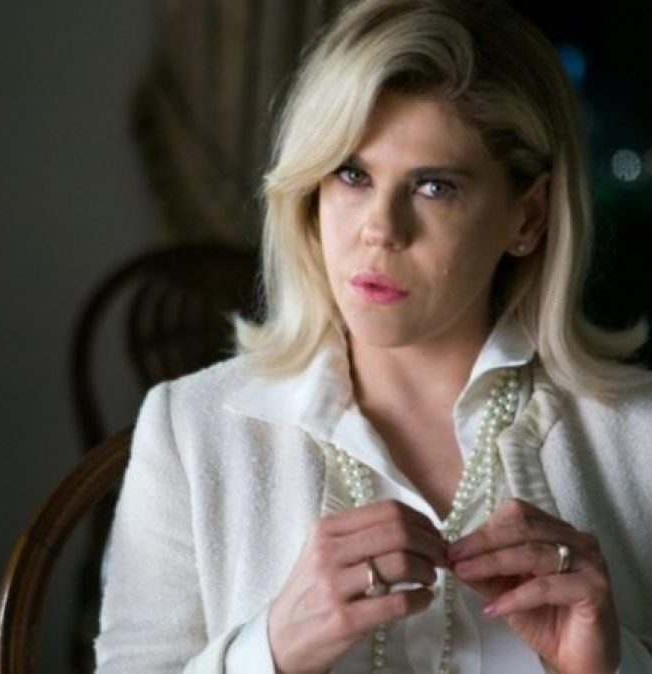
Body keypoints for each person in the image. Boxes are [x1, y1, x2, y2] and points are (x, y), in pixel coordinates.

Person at [94, 0, 652, 672]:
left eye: (434, 187)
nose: (380, 228)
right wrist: (269, 650)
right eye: (352, 175)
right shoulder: (188, 429)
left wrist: (612, 664)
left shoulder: (638, 435)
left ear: (528, 217)